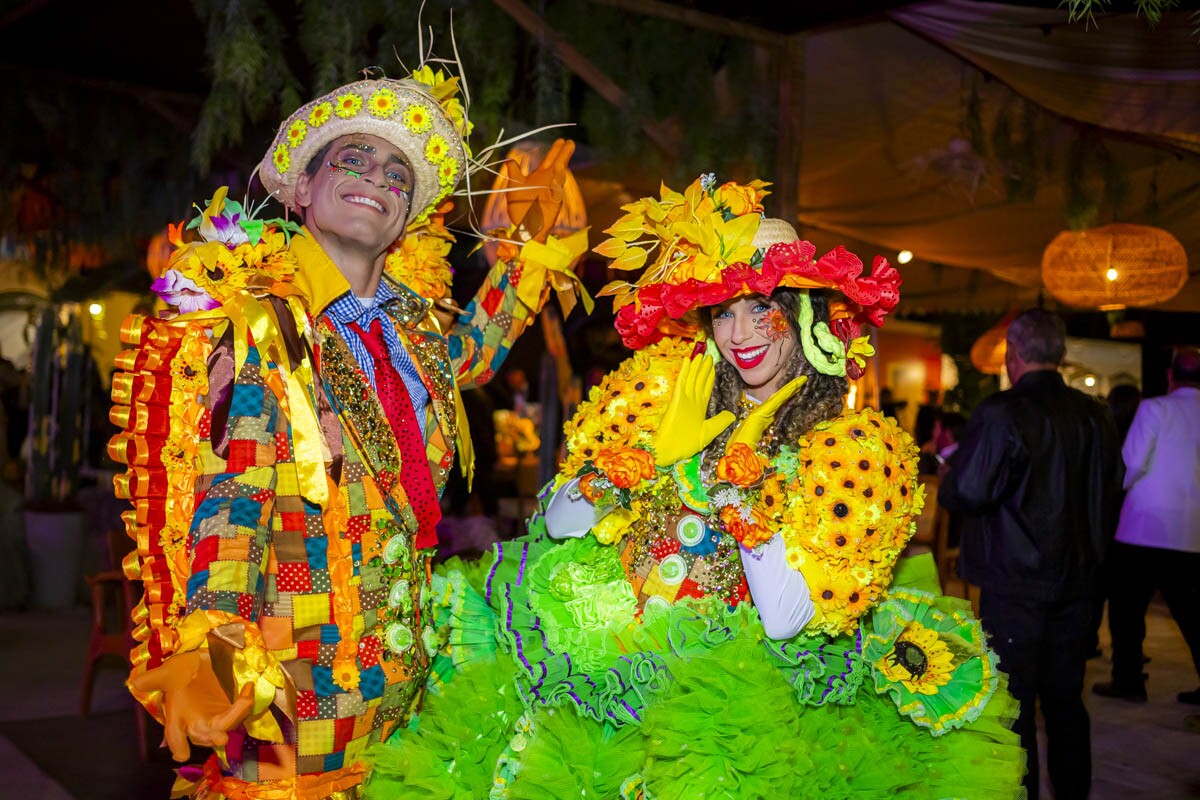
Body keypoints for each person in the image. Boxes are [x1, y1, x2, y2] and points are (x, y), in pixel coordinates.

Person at [364, 176, 1025, 799]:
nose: (739, 334)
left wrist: (742, 488)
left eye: (759, 308)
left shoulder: (852, 449)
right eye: (723, 313)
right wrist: (619, 469)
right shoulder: (664, 396)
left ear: (803, 316)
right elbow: (559, 526)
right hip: (611, 653)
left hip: (741, 695)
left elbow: (787, 618)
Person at [110, 53, 587, 799]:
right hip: (297, 693)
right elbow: (234, 499)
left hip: (403, 686)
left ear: (405, 219)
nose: (380, 178)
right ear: (301, 188)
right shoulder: (264, 323)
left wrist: (534, 257)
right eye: (354, 159)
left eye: (400, 175)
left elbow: (472, 353)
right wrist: (217, 646)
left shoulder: (411, 327)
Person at [939, 309, 1123, 800]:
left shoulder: (1003, 412)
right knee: (1066, 699)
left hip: (1014, 581)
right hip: (1079, 581)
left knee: (1014, 701)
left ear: (1013, 356)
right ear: (1060, 356)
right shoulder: (1095, 415)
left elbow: (968, 491)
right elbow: (1113, 489)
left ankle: (1019, 793)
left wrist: (953, 475)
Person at [1094, 349, 1200, 705]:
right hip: (1191, 530)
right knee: (1191, 612)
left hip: (1144, 527)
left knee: (1126, 609)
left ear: (1171, 376)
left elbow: (1132, 463)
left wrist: (1110, 493)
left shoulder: (1155, 408)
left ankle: (1128, 680)